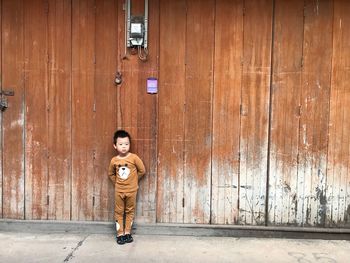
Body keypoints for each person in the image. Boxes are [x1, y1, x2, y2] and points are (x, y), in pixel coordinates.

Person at [108, 129, 146, 245]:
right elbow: (111, 174)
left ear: (129, 144)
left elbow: (142, 171)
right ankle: (120, 234)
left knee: (130, 210)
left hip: (132, 190)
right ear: (115, 146)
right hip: (119, 190)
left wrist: (133, 181)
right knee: (119, 211)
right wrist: (117, 183)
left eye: (126, 144)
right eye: (120, 144)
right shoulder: (114, 160)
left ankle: (127, 232)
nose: (124, 147)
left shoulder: (134, 158)